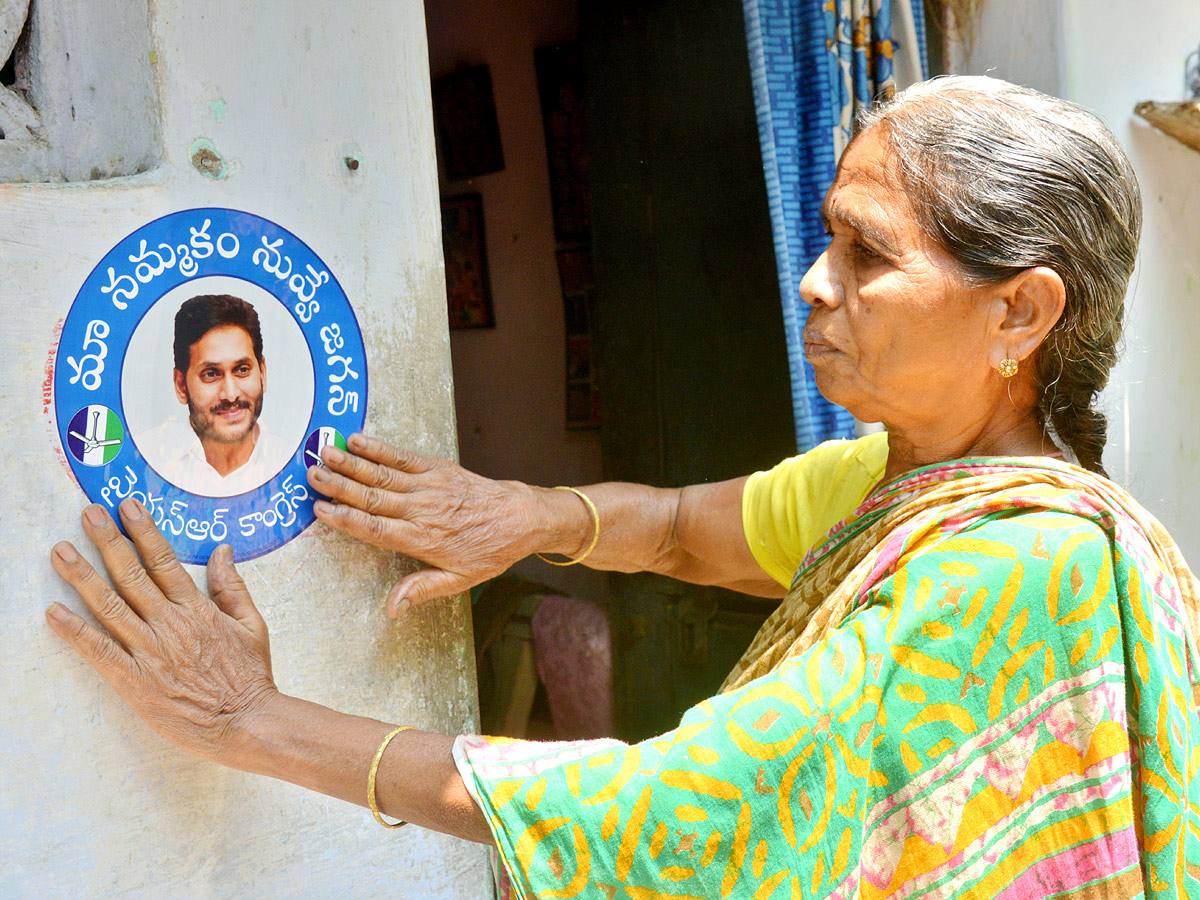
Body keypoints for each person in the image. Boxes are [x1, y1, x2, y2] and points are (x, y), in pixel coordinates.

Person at [47, 77, 1200, 899]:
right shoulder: (888, 475)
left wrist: (254, 720)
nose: (812, 280)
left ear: (1021, 312)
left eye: (868, 253)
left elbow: (668, 812)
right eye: (827, 239)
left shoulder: (1017, 568)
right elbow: (692, 531)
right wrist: (527, 518)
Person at [135, 293, 293, 496]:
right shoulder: (143, 460)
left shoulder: (293, 462)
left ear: (262, 373)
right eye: (211, 374)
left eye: (242, 370)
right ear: (181, 385)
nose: (231, 394)